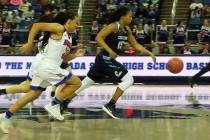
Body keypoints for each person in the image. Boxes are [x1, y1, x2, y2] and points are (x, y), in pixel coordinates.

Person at [61, 6, 156, 119]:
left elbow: (136, 45)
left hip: (105, 60)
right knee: (128, 79)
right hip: (105, 58)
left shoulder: (127, 29)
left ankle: (63, 103)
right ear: (123, 17)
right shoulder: (113, 26)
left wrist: (149, 53)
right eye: (130, 16)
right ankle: (110, 105)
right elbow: (98, 38)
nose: (131, 18)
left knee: (86, 83)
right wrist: (110, 51)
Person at [0, 11, 84, 134]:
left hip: (46, 66)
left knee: (33, 94)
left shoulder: (68, 37)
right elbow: (36, 26)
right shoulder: (59, 27)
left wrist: (75, 55)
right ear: (69, 21)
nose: (76, 25)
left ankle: (5, 116)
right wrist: (29, 43)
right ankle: (54, 104)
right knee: (76, 83)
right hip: (47, 66)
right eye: (75, 22)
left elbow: (63, 58)